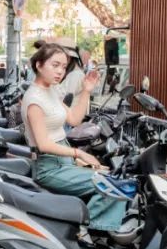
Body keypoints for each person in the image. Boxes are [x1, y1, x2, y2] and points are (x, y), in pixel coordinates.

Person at [22, 43, 126, 234]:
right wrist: (79, 153)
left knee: (114, 176)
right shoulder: (34, 99)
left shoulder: (50, 91)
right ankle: (86, 235)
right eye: (55, 65)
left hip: (63, 161)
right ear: (39, 65)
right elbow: (43, 144)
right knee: (111, 185)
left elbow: (74, 119)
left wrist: (86, 90)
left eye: (63, 66)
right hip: (50, 167)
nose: (60, 71)